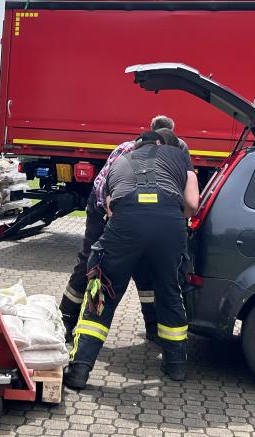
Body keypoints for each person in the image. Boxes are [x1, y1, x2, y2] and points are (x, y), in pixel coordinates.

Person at [65, 128, 200, 389]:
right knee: (170, 293)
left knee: (101, 294)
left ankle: (80, 370)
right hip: (169, 225)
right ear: (160, 143)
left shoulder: (119, 160)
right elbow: (192, 205)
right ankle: (176, 367)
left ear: (136, 145)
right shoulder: (178, 155)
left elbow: (109, 207)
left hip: (125, 222)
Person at [60, 115, 184, 344]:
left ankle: (153, 328)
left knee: (145, 268)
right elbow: (105, 191)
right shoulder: (128, 151)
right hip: (103, 208)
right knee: (90, 261)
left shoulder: (164, 156)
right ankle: (65, 321)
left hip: (128, 213)